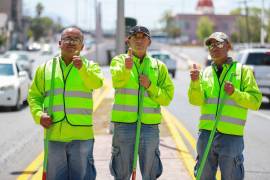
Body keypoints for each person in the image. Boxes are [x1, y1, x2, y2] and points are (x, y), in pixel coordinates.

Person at [28, 27, 103, 180]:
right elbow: (34, 96)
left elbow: (97, 83)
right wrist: (38, 115)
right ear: (59, 43)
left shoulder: (91, 66)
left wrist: (82, 69)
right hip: (54, 136)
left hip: (81, 136)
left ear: (82, 46)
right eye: (67, 39)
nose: (71, 42)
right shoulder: (45, 68)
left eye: (76, 40)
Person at [188, 32, 262, 180]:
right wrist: (195, 83)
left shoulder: (243, 71)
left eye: (219, 43)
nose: (214, 47)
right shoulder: (205, 72)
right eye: (211, 44)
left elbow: (255, 101)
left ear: (228, 46)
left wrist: (235, 93)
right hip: (206, 134)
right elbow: (195, 101)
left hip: (231, 137)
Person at [109, 25, 174, 180]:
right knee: (122, 171)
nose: (139, 41)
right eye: (135, 37)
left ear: (149, 42)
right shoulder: (118, 61)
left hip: (149, 127)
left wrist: (150, 86)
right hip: (124, 125)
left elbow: (167, 97)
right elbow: (116, 82)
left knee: (150, 172)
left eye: (143, 37)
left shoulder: (159, 67)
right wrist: (126, 69)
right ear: (128, 41)